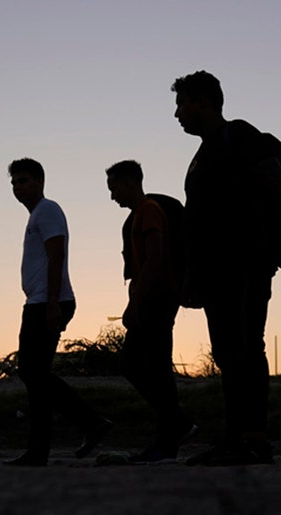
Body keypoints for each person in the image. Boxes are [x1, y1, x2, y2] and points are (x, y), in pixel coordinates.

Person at [171, 70, 281, 466]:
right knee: (230, 351)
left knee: (246, 346)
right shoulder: (203, 154)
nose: (178, 114)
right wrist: (192, 275)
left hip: (246, 263)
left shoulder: (240, 135)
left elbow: (276, 186)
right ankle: (238, 437)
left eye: (182, 104)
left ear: (203, 101)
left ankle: (250, 438)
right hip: (215, 271)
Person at [4, 158, 112, 467]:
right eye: (14, 182)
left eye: (23, 181)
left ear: (39, 181)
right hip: (40, 301)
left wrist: (52, 302)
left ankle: (90, 423)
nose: (17, 187)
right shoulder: (37, 215)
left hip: (48, 302)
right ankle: (40, 449)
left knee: (32, 372)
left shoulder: (48, 210)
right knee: (35, 375)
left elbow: (57, 254)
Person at [105, 160, 197, 464]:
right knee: (139, 365)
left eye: (114, 188)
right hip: (151, 299)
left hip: (157, 299)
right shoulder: (135, 217)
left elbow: (155, 260)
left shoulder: (148, 211)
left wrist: (134, 304)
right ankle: (175, 427)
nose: (112, 196)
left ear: (129, 183)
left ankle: (169, 438)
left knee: (149, 366)